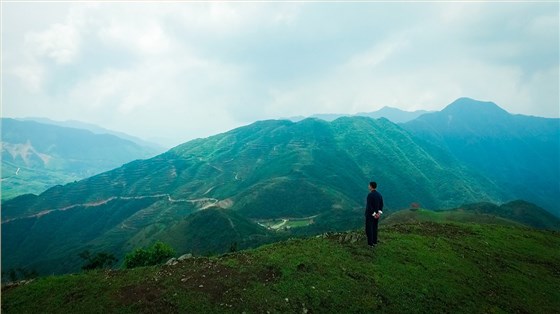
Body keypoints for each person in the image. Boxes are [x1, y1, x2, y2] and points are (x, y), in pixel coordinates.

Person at [365, 181, 383, 247]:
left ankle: (370, 244)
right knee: (375, 228)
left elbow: (369, 206)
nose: (368, 186)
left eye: (369, 185)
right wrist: (378, 213)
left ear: (371, 186)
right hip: (377, 215)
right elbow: (381, 205)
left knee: (369, 229)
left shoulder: (370, 195)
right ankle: (375, 242)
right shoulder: (379, 195)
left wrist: (374, 214)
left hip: (370, 215)